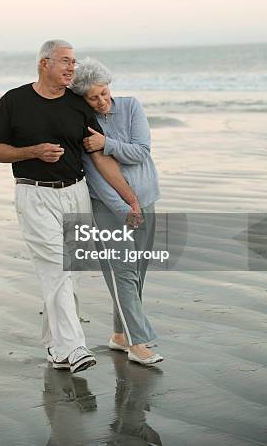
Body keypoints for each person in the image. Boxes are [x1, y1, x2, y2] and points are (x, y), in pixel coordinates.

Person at [0, 40, 142, 373]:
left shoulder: (76, 105)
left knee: (69, 274)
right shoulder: (14, 101)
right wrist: (33, 151)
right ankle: (75, 347)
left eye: (73, 62)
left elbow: (99, 157)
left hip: (76, 193)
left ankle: (55, 348)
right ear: (45, 63)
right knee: (57, 267)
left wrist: (129, 198)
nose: (73, 68)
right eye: (66, 62)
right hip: (34, 194)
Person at [71, 58, 163, 366]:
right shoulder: (82, 124)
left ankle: (119, 335)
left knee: (137, 274)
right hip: (109, 208)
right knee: (122, 272)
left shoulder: (131, 106)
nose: (101, 101)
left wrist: (106, 143)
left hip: (146, 199)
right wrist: (124, 208)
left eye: (104, 92)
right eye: (93, 97)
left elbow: (142, 151)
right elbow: (95, 174)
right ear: (83, 98)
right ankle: (138, 342)